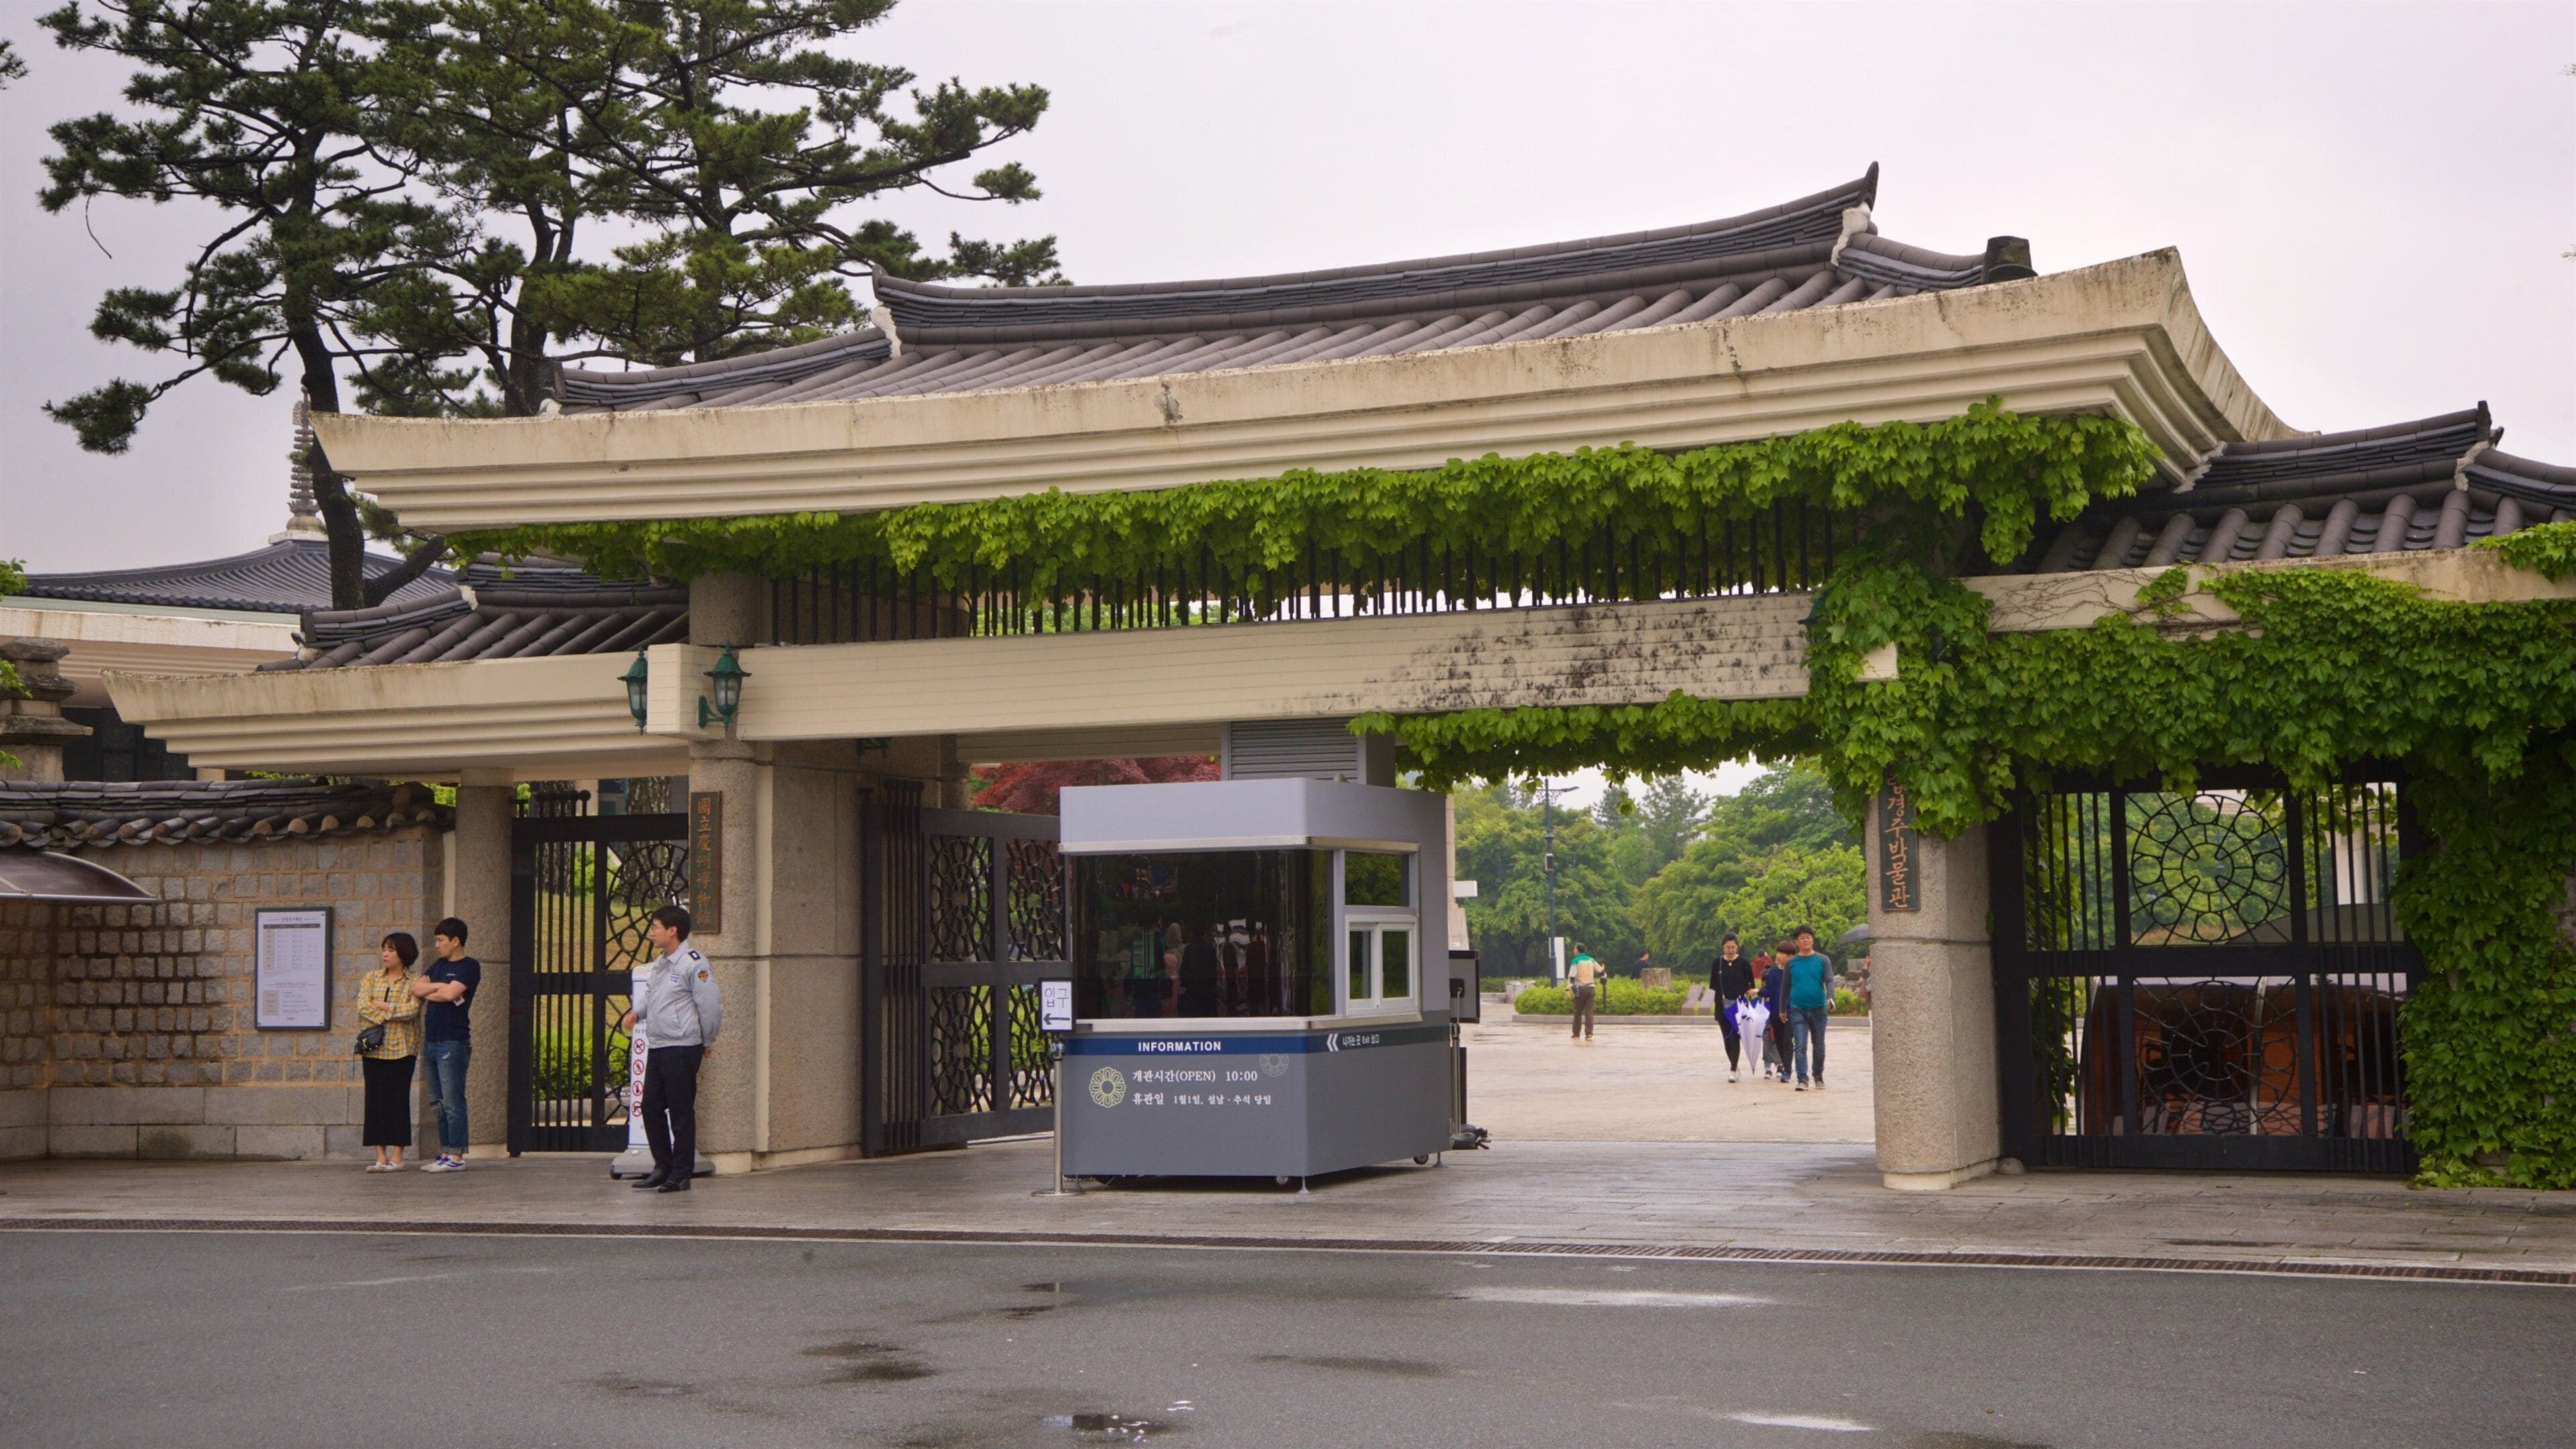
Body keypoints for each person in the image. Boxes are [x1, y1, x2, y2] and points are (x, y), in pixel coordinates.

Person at [621, 904, 722, 1193]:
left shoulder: (694, 963)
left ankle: (681, 1173)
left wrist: (707, 1040)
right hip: (660, 1045)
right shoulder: (662, 963)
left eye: (656, 927)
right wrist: (636, 1013)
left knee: (680, 1110)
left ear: (672, 930)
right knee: (649, 1105)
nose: (652, 933)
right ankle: (662, 1166)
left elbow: (710, 1006)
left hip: (683, 1046)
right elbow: (652, 996)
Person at [411, 916, 480, 1172]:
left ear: (455, 941)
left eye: (441, 940)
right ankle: (445, 1152)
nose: (437, 945)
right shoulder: (438, 965)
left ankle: (457, 1156)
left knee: (452, 1101)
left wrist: (439, 990)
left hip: (453, 1042)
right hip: (431, 1041)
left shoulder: (469, 966)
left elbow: (452, 994)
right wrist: (442, 988)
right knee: (437, 1103)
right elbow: (416, 988)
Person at [356, 932, 425, 1171]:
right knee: (375, 1101)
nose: (385, 954)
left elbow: (412, 1011)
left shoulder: (414, 981)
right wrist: (394, 1011)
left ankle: (398, 1157)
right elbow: (363, 1007)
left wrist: (382, 1006)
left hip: (403, 1049)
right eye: (384, 949)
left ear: (404, 953)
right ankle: (380, 1157)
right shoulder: (371, 977)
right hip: (373, 1049)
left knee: (397, 1100)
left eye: (391, 950)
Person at [1782, 926, 1837, 1091]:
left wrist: (1831, 997)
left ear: (1812, 939)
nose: (1806, 940)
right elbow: (1786, 987)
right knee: (1800, 1045)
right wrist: (1782, 1009)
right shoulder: (1791, 963)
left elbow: (1829, 980)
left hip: (1818, 1009)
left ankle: (1818, 1075)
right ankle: (1802, 1079)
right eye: (1802, 938)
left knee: (1819, 1046)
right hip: (1798, 1009)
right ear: (1796, 942)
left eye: (1808, 937)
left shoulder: (1822, 960)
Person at [1711, 934, 1752, 1081]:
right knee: (1727, 1038)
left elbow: (1750, 985)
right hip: (1722, 1006)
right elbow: (1714, 985)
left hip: (1739, 1006)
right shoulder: (1718, 963)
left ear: (1737, 947)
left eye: (1733, 947)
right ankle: (1734, 1065)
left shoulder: (1744, 964)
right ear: (1723, 947)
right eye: (1728, 947)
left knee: (1735, 1037)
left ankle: (1733, 1069)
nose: (1730, 950)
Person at [1762, 941, 1794, 1083]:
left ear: (1791, 956)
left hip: (1791, 1012)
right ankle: (1785, 1066)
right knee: (1780, 1042)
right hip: (1776, 1013)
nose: (1779, 956)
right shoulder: (1773, 972)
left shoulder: (1794, 971)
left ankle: (1787, 1070)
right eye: (1778, 953)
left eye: (1783, 953)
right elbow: (1769, 990)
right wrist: (1758, 991)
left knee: (1788, 1041)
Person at [1566, 942, 1601, 1042]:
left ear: (1577, 950)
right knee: (1589, 1012)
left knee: (1578, 1012)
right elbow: (1600, 970)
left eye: (1574, 948)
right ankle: (1589, 1033)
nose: (1574, 950)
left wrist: (1568, 988)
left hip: (1579, 989)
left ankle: (1576, 1034)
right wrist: (1604, 976)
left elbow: (1572, 976)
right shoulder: (1591, 960)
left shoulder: (1576, 961)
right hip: (1591, 988)